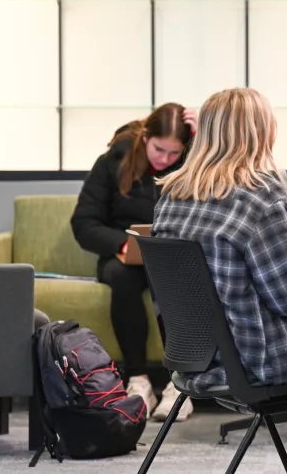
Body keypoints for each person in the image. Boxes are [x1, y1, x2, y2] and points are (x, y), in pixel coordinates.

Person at [152, 88, 287, 393]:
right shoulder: (263, 198)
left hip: (194, 360)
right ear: (263, 133)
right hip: (256, 361)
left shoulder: (170, 197)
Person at [71, 102, 197, 422]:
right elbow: (84, 222)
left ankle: (179, 385)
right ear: (144, 138)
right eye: (159, 150)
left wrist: (201, 140)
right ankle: (139, 380)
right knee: (121, 278)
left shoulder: (191, 162)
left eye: (174, 153)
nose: (166, 160)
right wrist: (122, 243)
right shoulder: (113, 161)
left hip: (172, 255)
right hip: (124, 257)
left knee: (175, 281)